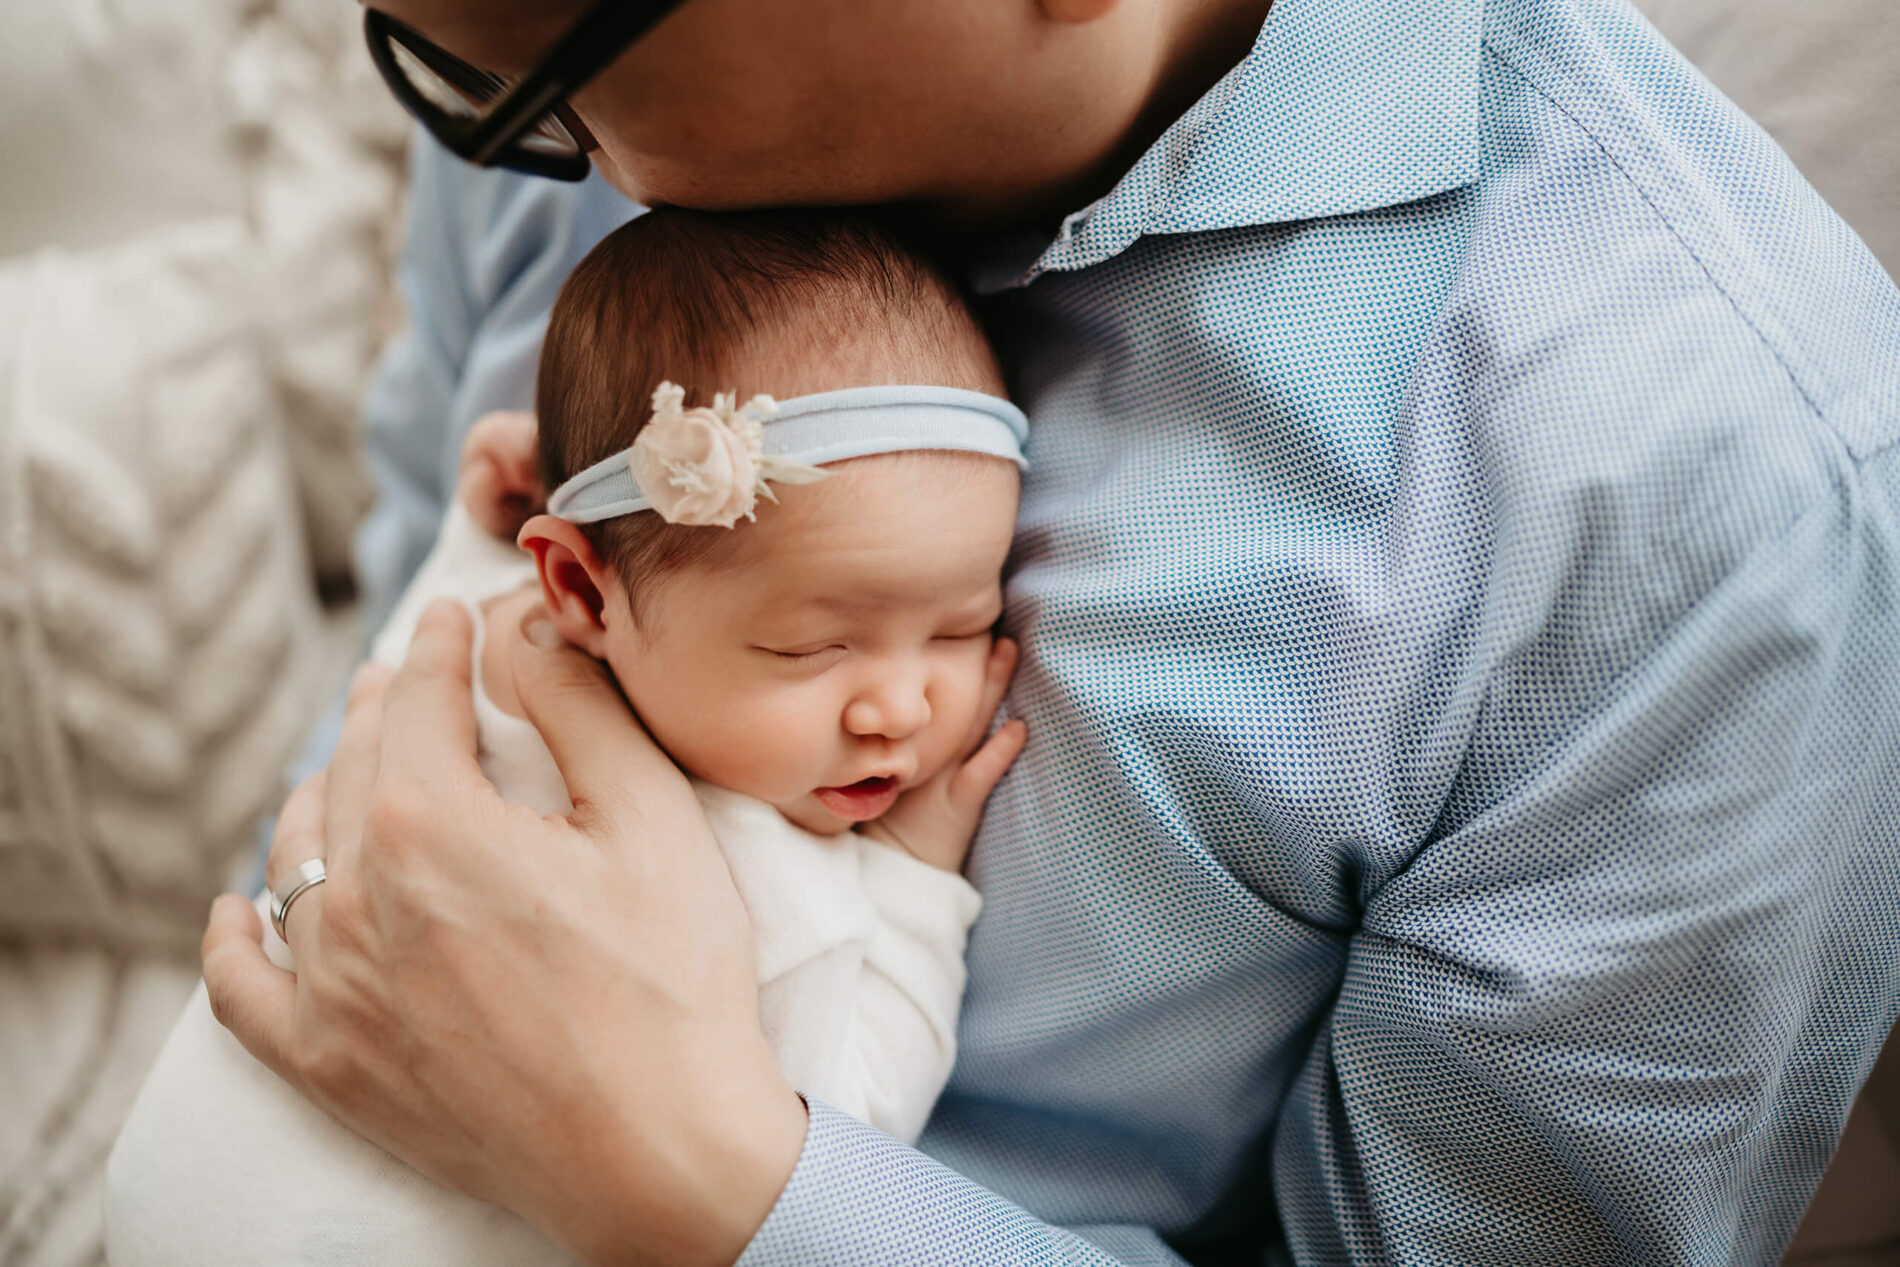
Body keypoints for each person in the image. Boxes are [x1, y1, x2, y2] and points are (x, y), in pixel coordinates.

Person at [200, 0, 1900, 1263]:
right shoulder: (534, 55)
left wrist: (711, 1183)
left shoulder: (1703, 498)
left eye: (539, 82)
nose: (481, 122)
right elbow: (417, 546)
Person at [106, 207, 1031, 1264]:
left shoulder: (490, 638)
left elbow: (423, 633)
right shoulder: (775, 886)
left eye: (964, 625)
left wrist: (473, 535)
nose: (900, 709)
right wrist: (913, 879)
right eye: (810, 648)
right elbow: (853, 1132)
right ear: (581, 586)